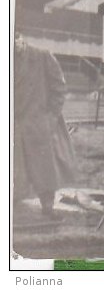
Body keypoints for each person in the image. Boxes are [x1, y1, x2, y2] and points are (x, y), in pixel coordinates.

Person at [13, 33, 76, 220]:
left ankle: (48, 207)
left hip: (38, 122)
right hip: (13, 122)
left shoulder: (42, 56)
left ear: (20, 40)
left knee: (44, 168)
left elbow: (59, 88)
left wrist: (50, 118)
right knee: (14, 167)